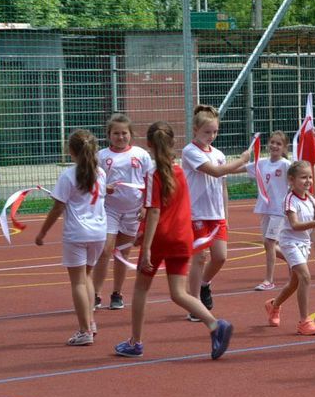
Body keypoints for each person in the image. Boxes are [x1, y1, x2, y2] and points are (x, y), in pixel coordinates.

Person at [114, 121, 233, 359]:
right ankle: (214, 325)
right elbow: (174, 207)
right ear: (172, 143)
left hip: (160, 238)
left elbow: (155, 212)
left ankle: (135, 342)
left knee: (140, 289)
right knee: (179, 293)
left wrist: (146, 246)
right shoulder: (180, 172)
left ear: (148, 144)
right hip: (182, 237)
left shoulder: (153, 174)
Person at [35, 129, 107, 346]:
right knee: (87, 276)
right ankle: (90, 323)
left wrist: (42, 232)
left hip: (77, 232)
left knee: (77, 281)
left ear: (70, 151)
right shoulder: (100, 173)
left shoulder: (68, 175)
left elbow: (58, 207)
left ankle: (84, 329)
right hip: (98, 231)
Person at [182, 105, 251, 319]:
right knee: (200, 256)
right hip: (197, 213)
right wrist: (243, 160)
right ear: (195, 130)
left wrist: (226, 215)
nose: (211, 136)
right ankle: (194, 305)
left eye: (214, 132)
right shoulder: (190, 151)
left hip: (216, 214)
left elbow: (222, 183)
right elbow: (216, 171)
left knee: (220, 257)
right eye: (206, 132)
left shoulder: (219, 154)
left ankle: (204, 284)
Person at [91, 113, 153, 311]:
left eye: (124, 133)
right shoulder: (101, 156)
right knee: (105, 250)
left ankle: (117, 293)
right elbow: (94, 182)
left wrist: (145, 205)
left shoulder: (141, 154)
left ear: (131, 134)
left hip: (133, 211)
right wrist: (103, 188)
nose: (120, 137)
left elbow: (149, 181)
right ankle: (95, 294)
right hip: (109, 209)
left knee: (122, 253)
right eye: (116, 133)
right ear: (109, 135)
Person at [264, 160, 315, 335]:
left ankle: (273, 305)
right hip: (289, 242)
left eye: (310, 177)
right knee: (305, 277)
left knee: (294, 282)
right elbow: (295, 225)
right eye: (303, 177)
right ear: (291, 180)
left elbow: (314, 230)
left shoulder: (312, 200)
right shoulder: (289, 199)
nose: (308, 181)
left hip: (304, 244)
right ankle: (304, 321)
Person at [245, 131, 291, 291]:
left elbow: (298, 177)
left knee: (270, 242)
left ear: (285, 147)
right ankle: (295, 261)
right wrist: (219, 170)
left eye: (279, 144)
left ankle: (269, 280)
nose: (274, 146)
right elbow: (241, 168)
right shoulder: (262, 163)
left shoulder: (286, 164)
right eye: (272, 142)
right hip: (265, 208)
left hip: (279, 209)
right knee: (268, 243)